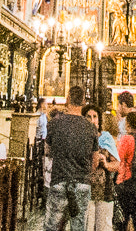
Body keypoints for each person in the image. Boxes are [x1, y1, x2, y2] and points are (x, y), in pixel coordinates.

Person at [44, 87, 98, 231]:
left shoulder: (55, 123)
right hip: (81, 182)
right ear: (84, 102)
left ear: (67, 99)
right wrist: (87, 173)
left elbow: (47, 150)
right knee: (78, 226)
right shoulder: (91, 127)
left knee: (52, 226)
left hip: (59, 179)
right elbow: (95, 159)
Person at [89, 112, 119, 231]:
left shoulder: (106, 138)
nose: (92, 120)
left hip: (104, 190)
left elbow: (116, 164)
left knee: (104, 227)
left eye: (95, 116)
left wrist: (106, 164)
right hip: (86, 190)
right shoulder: (80, 138)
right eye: (88, 116)